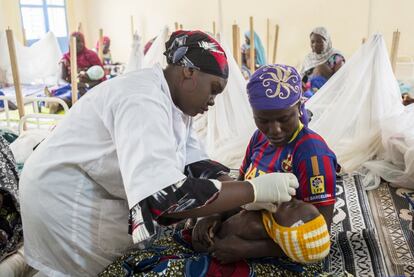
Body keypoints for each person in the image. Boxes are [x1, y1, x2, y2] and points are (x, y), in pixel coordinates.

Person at [19, 30, 298, 276]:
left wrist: (233, 187)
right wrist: (251, 191)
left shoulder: (176, 103)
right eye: (213, 90)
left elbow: (194, 161)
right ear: (189, 71)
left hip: (92, 186)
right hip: (64, 199)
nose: (213, 101)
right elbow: (163, 198)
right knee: (96, 267)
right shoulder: (142, 100)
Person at [192, 64, 337, 262]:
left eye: (284, 118)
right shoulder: (259, 138)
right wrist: (215, 216)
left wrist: (251, 250)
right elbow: (241, 187)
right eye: (263, 120)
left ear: (299, 106)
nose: (274, 130)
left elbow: (319, 236)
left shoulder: (312, 154)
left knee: (248, 225)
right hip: (248, 221)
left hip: (276, 240)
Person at [194, 198, 330, 265]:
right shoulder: (272, 214)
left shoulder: (253, 225)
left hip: (206, 238)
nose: (292, 199)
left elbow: (215, 247)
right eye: (299, 201)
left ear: (283, 230)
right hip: (214, 221)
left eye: (293, 205)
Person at [301, 27, 345, 93]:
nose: (315, 45)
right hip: (309, 96)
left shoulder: (336, 57)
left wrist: (322, 70)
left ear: (327, 41)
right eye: (312, 42)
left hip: (328, 94)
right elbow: (302, 79)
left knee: (320, 68)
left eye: (319, 42)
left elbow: (339, 82)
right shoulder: (308, 58)